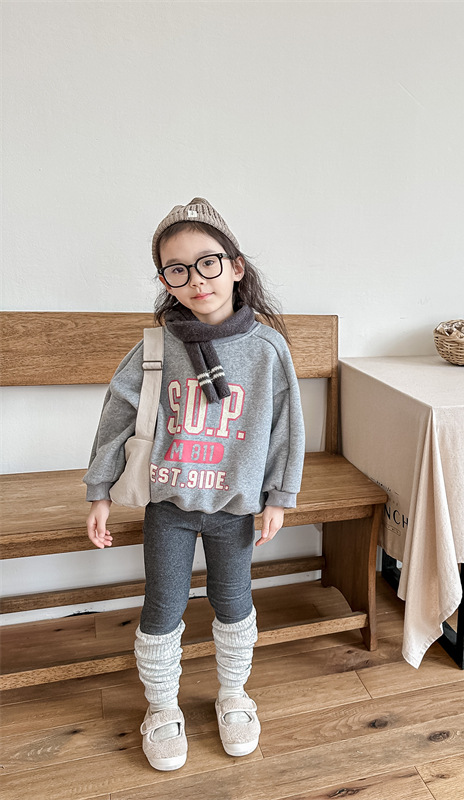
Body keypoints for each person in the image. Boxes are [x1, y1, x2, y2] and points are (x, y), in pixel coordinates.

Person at [84, 198, 304, 771]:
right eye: (177, 270)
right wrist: (99, 491)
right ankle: (162, 708)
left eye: (207, 263)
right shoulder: (157, 346)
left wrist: (279, 498)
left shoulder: (266, 348)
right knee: (163, 605)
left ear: (235, 266)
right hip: (170, 505)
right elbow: (117, 416)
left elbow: (285, 427)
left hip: (234, 507)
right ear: (166, 281)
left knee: (234, 603)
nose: (196, 280)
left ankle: (233, 696)